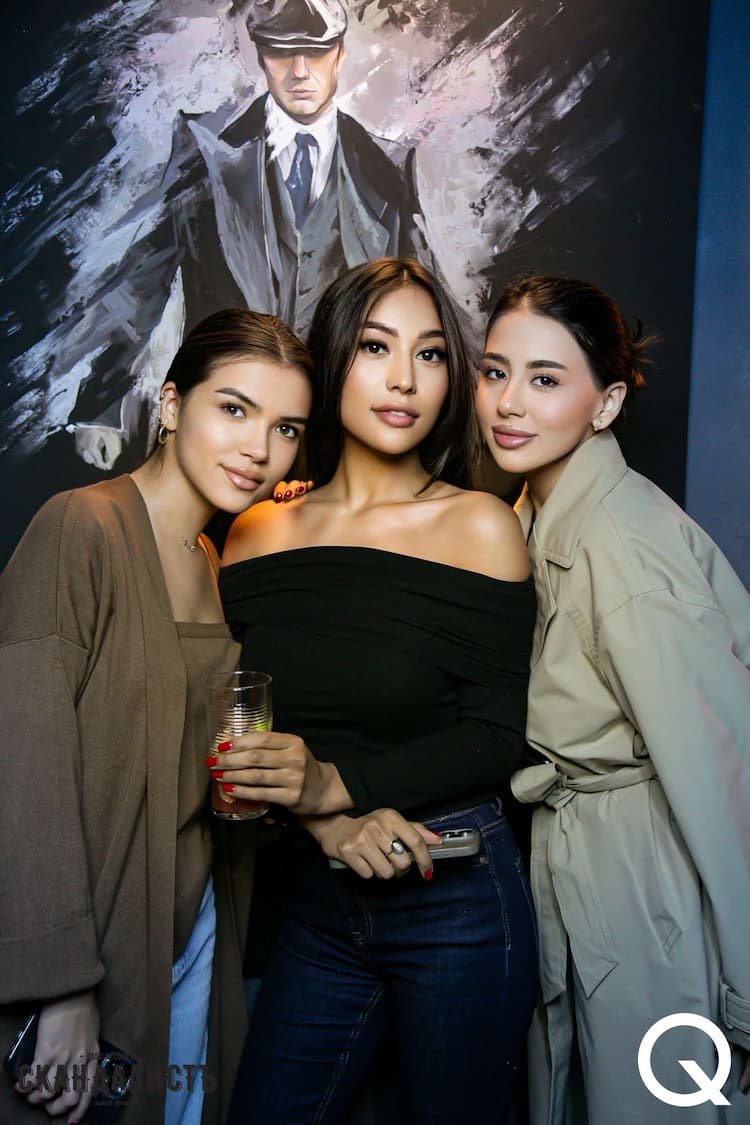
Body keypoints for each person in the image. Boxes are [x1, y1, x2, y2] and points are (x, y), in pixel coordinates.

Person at [216, 257, 539, 1124]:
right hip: (317, 895)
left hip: (456, 893)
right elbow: (234, 730)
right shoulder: (256, 532)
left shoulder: (480, 524)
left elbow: (496, 734)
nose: (405, 380)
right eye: (375, 346)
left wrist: (336, 782)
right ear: (330, 357)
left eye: (429, 354)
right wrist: (323, 817)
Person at [0, 308, 320, 1125]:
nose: (259, 448)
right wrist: (61, 987)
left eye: (286, 428)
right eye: (235, 409)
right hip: (99, 937)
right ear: (172, 404)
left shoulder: (212, 559)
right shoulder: (81, 526)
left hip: (193, 924)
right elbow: (23, 765)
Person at [474, 275, 750, 1124]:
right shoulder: (532, 513)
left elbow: (725, 774)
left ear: (607, 402)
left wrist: (748, 983)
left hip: (650, 880)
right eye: (495, 371)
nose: (508, 403)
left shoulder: (624, 545)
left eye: (546, 379)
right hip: (584, 866)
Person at [65, 0, 430, 473]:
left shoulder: (387, 166)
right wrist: (101, 407)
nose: (300, 71)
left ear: (340, 54)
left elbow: (423, 305)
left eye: (316, 52)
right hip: (220, 431)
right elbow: (142, 277)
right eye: (281, 52)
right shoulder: (204, 149)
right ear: (260, 55)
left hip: (335, 446)